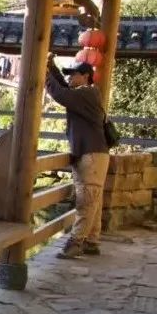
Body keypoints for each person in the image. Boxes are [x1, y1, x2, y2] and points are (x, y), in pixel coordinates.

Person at [45, 54, 110, 258]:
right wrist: (52, 67)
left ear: (85, 76)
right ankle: (91, 241)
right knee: (93, 201)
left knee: (86, 201)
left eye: (73, 74)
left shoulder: (86, 94)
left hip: (91, 155)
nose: (70, 78)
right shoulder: (86, 94)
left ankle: (76, 242)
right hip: (93, 154)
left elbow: (60, 94)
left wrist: (44, 73)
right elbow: (64, 88)